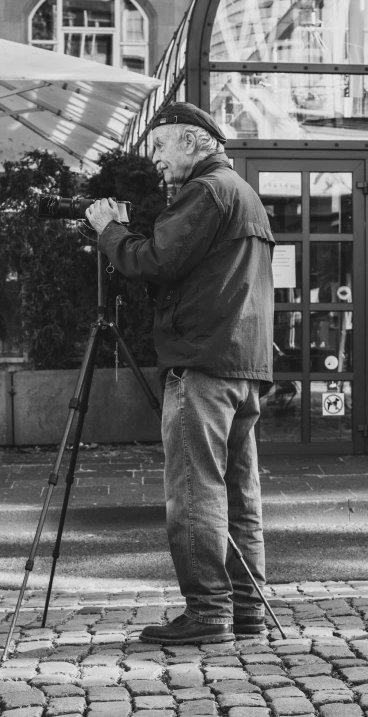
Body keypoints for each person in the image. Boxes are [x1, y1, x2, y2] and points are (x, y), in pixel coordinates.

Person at [85, 102, 275, 645]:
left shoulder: (207, 192)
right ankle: (244, 611)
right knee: (238, 492)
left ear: (192, 141)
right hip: (241, 363)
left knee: (195, 492)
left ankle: (209, 612)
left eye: (162, 147)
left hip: (203, 364)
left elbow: (155, 262)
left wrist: (110, 232)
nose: (157, 162)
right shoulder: (242, 194)